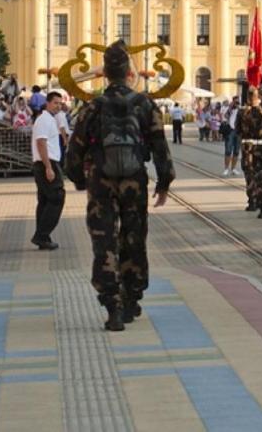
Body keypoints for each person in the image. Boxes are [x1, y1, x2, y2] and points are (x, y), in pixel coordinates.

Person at [65, 41, 174, 332]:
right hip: (134, 182)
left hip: (101, 183)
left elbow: (73, 152)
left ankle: (112, 305)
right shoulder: (144, 104)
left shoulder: (93, 106)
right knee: (133, 238)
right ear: (128, 73)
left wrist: (78, 179)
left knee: (105, 243)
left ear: (106, 75)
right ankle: (131, 298)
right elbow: (160, 148)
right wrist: (164, 183)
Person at [30, 91, 66, 251]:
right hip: (46, 162)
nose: (58, 106)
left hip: (47, 162)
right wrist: (48, 167)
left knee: (45, 201)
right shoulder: (44, 120)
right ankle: (42, 235)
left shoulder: (49, 119)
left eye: (60, 103)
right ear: (47, 103)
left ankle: (42, 236)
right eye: (55, 103)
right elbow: (41, 143)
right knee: (56, 198)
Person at [237, 89, 262, 217]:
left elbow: (238, 130)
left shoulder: (242, 112)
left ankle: (252, 201)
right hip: (261, 147)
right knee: (261, 176)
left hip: (247, 146)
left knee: (249, 175)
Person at [222, 98, 241, 176]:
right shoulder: (229, 109)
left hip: (238, 132)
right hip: (230, 131)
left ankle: (233, 168)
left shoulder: (240, 110)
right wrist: (230, 108)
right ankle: (226, 169)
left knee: (236, 151)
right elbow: (225, 116)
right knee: (228, 151)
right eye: (235, 102)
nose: (236, 103)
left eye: (237, 102)